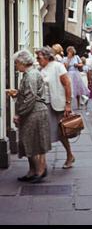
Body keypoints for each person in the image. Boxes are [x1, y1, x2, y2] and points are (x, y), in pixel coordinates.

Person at [10, 50, 51, 183]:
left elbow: (31, 97)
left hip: (35, 112)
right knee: (28, 141)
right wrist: (17, 94)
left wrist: (19, 114)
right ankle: (32, 171)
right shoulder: (29, 74)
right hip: (34, 112)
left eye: (16, 63)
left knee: (33, 142)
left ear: (22, 62)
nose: (16, 66)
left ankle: (39, 171)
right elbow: (29, 94)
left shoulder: (31, 75)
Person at [36, 47, 75, 169]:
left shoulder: (57, 66)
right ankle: (42, 164)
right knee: (43, 133)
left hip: (57, 104)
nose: (37, 60)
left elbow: (67, 84)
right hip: (43, 105)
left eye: (39, 57)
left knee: (61, 132)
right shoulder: (39, 69)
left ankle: (69, 155)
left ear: (47, 57)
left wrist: (68, 104)